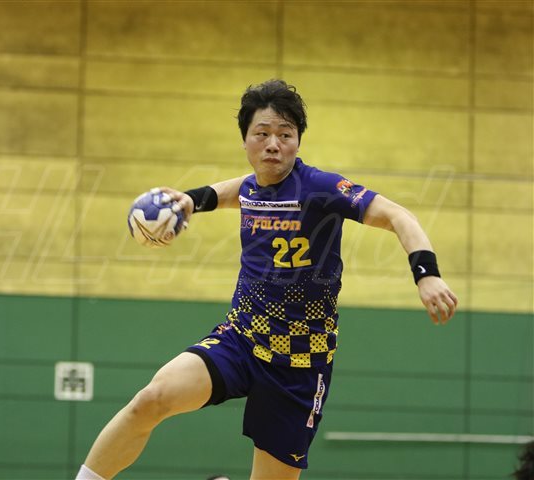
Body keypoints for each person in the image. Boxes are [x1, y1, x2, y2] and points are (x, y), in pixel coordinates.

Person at [75, 79, 458, 480]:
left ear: (297, 141)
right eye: (262, 134)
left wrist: (426, 274)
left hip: (299, 365)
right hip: (241, 340)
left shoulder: (320, 188)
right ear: (245, 141)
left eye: (285, 135)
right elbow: (233, 191)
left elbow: (399, 216)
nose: (273, 144)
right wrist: (191, 199)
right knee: (151, 399)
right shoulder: (252, 187)